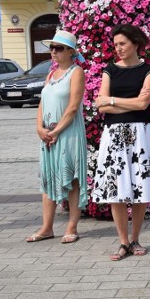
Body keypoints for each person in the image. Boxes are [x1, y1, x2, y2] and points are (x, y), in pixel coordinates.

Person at [92, 24, 150, 260]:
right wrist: (127, 101)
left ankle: (135, 239)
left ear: (136, 43)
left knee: (140, 187)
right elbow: (98, 103)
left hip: (140, 133)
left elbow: (142, 105)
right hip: (114, 133)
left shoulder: (148, 70)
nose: (118, 49)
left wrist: (112, 100)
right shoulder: (109, 70)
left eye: (122, 44)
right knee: (116, 188)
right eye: (115, 44)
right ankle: (123, 242)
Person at [27, 29, 88, 244]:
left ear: (70, 51)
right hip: (49, 135)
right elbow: (42, 104)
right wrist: (39, 129)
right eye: (51, 47)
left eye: (58, 48)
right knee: (48, 178)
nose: (53, 52)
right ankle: (47, 227)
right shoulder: (51, 74)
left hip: (68, 133)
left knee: (71, 178)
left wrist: (55, 131)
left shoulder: (76, 72)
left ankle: (72, 226)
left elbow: (72, 107)